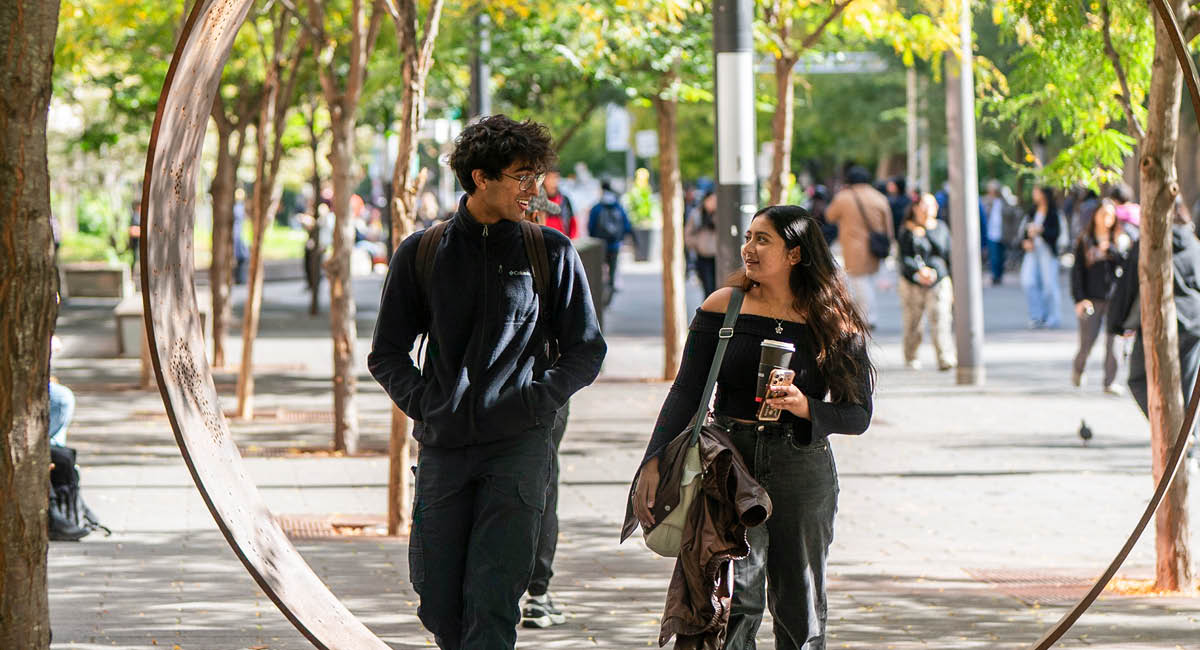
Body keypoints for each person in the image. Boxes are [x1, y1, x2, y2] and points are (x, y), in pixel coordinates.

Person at [367, 115, 607, 649]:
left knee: (493, 601)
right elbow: (386, 353)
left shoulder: (550, 252)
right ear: (481, 178)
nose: (535, 190)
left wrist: (535, 402)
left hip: (518, 449)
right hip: (444, 448)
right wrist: (426, 405)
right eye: (523, 177)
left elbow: (586, 350)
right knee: (438, 601)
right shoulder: (422, 252)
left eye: (538, 176)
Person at [632, 205, 875, 649]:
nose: (748, 248)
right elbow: (686, 391)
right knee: (734, 595)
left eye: (763, 240)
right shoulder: (724, 306)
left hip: (800, 466)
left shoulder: (833, 321)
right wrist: (653, 460)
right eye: (748, 237)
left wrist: (806, 408)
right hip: (729, 460)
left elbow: (858, 414)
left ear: (795, 254)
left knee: (800, 596)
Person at [1108, 196, 1200, 465]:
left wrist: (1117, 324)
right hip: (1192, 322)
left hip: (1160, 322)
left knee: (1138, 378)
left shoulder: (1148, 242)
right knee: (1186, 386)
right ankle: (1186, 441)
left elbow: (1127, 288)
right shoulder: (1192, 242)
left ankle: (1183, 441)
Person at [1070, 199, 1129, 393]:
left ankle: (1110, 382)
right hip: (1091, 298)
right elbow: (1077, 272)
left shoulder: (1120, 240)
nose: (1106, 219)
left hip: (1114, 298)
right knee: (1088, 341)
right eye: (1102, 214)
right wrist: (1079, 299)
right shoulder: (1085, 241)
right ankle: (1078, 369)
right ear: (1095, 216)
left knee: (1115, 343)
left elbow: (1127, 266)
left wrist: (1111, 250)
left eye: (1110, 215)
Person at [824, 166, 892, 329]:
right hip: (875, 246)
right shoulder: (879, 197)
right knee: (867, 282)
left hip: (854, 246)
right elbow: (888, 226)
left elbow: (829, 216)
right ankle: (868, 316)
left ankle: (867, 318)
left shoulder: (844, 197)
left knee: (859, 282)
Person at [897, 193, 955, 371]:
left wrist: (926, 231)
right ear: (915, 208)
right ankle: (911, 356)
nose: (928, 210)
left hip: (938, 280)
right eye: (924, 206)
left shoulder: (941, 228)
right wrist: (918, 271)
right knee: (913, 321)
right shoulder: (907, 230)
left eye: (932, 206)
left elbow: (945, 253)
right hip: (912, 282)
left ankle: (944, 357)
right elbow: (904, 258)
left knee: (941, 318)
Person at [1015, 186, 1066, 329]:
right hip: (1032, 252)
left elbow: (1055, 234)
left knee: (1049, 285)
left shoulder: (1053, 213)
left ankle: (1053, 316)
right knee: (1028, 281)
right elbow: (1024, 231)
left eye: (1036, 191)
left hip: (1047, 252)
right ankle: (1036, 315)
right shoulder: (1032, 211)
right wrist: (1025, 241)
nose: (1034, 194)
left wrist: (1041, 231)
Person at [588, 179, 633, 302]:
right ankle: (609, 296)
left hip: (600, 244)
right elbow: (626, 223)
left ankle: (600, 295)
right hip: (614, 244)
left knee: (599, 271)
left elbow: (591, 226)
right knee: (612, 271)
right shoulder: (617, 205)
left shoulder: (597, 206)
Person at [982, 180, 1017, 286]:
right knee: (994, 256)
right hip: (991, 233)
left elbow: (1012, 213)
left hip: (1003, 233)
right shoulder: (988, 201)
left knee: (1001, 255)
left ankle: (999, 274)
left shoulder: (1004, 201)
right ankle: (995, 275)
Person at [685, 190, 718, 297]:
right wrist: (698, 242)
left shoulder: (721, 215)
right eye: (711, 200)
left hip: (718, 258)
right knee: (708, 289)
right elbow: (687, 235)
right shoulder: (697, 215)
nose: (713, 203)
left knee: (718, 289)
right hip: (702, 257)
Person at [541, 169, 577, 238]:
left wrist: (570, 242)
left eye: (556, 177)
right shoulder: (537, 202)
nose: (553, 182)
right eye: (549, 178)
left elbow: (573, 224)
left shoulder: (565, 200)